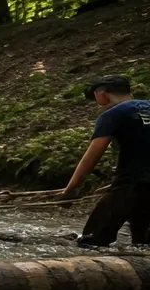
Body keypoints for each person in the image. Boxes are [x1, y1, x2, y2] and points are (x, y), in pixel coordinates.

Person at [61, 75, 150, 247]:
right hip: (141, 184)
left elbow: (92, 156)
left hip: (130, 185)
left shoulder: (113, 114)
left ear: (101, 94)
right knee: (143, 242)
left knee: (91, 240)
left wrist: (70, 189)